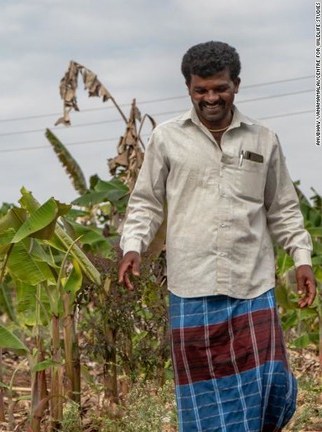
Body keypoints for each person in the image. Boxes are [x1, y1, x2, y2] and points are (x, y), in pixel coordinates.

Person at [118, 41, 316, 431]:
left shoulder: (263, 140)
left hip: (252, 285)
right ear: (188, 89)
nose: (211, 98)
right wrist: (132, 246)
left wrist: (302, 258)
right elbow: (146, 203)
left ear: (236, 85)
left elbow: (283, 208)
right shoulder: (167, 139)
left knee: (273, 384)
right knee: (204, 400)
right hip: (192, 287)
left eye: (220, 88)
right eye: (201, 90)